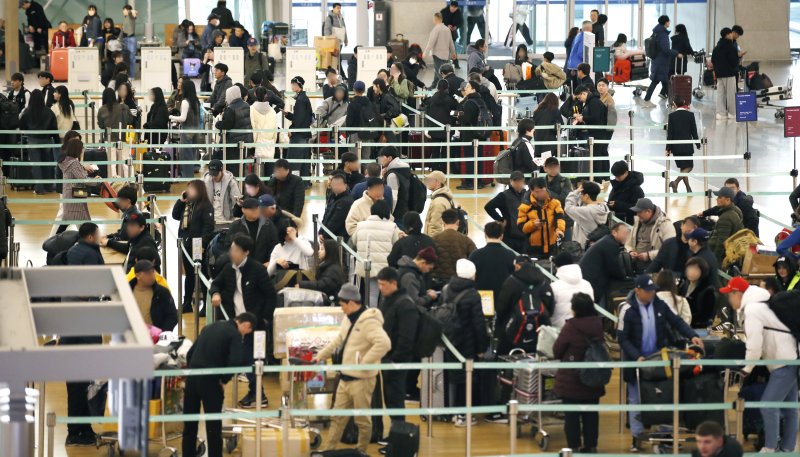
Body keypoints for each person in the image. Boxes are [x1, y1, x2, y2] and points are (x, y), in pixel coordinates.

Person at [619, 274, 702, 450]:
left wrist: (692, 335)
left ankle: (665, 434)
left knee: (665, 396)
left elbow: (677, 322)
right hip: (637, 362)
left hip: (659, 360)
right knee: (635, 398)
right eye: (648, 292)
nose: (651, 295)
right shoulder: (627, 309)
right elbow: (623, 339)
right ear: (637, 291)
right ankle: (637, 436)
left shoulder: (659, 304)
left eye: (653, 291)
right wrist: (636, 356)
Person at [719, 277, 798, 453]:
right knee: (789, 408)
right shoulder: (761, 305)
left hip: (783, 362)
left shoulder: (753, 310)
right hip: (790, 359)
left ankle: (770, 448)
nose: (729, 299)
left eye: (729, 295)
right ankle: (787, 449)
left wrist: (747, 368)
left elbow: (754, 346)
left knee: (768, 405)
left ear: (737, 294)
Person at [315, 283, 389, 453]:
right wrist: (320, 355)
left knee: (362, 420)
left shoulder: (369, 321)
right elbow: (338, 341)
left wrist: (365, 362)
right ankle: (328, 451)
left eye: (342, 305)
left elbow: (384, 343)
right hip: (345, 378)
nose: (341, 309)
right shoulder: (348, 319)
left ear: (350, 302)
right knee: (337, 418)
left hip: (362, 380)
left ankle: (361, 451)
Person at [210, 234, 276, 407]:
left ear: (246, 252)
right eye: (231, 249)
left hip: (255, 326)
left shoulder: (257, 270)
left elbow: (271, 296)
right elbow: (216, 284)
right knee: (247, 360)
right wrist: (215, 293)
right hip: (237, 325)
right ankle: (256, 394)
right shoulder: (229, 269)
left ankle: (258, 395)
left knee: (252, 360)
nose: (232, 253)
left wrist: (264, 319)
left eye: (236, 250)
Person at [182, 313, 256, 457]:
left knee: (189, 424)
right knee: (213, 426)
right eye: (247, 331)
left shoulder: (210, 327)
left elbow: (190, 353)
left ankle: (187, 454)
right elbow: (235, 361)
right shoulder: (234, 334)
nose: (245, 334)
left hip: (192, 379)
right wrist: (224, 380)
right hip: (211, 382)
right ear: (246, 325)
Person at [553, 292, 604, 452]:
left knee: (572, 417)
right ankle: (591, 446)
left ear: (575, 309)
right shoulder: (598, 325)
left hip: (572, 378)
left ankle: (573, 447)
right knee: (591, 416)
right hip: (593, 376)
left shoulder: (571, 327)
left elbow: (557, 350)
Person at [373, 267, 418, 445]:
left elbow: (407, 338)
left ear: (394, 283)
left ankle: (398, 438)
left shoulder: (405, 304)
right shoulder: (388, 300)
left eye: (383, 285)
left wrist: (395, 359)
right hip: (388, 357)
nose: (381, 288)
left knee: (396, 398)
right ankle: (395, 434)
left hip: (397, 360)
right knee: (390, 398)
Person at [445, 259, 490, 427]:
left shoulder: (448, 289)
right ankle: (463, 415)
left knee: (456, 378)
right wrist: (482, 347)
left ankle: (455, 412)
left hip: (452, 339)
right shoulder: (472, 294)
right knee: (468, 378)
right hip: (468, 342)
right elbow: (478, 324)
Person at [495, 256, 554, 356]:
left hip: (511, 335)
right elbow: (550, 308)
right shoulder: (544, 282)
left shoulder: (511, 282)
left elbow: (501, 309)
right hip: (539, 335)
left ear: (517, 266)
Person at [171, 179, 215, 310]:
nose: (189, 192)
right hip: (185, 243)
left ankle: (206, 306)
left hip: (198, 244)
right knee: (189, 275)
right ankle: (187, 303)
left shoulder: (206, 206)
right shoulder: (187, 204)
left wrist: (202, 244)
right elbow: (175, 216)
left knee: (202, 275)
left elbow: (208, 227)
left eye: (191, 189)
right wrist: (181, 201)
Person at [350, 200, 400, 306]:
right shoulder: (392, 227)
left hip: (366, 265)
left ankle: (371, 316)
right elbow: (396, 245)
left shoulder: (360, 226)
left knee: (372, 294)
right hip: (384, 267)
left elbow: (354, 241)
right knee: (385, 294)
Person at [579, 222, 631, 307]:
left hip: (589, 280)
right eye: (624, 233)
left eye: (627, 234)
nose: (626, 236)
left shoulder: (608, 241)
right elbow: (615, 268)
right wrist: (625, 277)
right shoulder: (610, 244)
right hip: (592, 282)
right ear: (614, 232)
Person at [20, 90, 59, 195]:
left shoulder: (27, 112)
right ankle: (49, 186)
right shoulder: (48, 111)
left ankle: (39, 189)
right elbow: (54, 128)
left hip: (32, 140)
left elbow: (22, 126)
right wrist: (56, 140)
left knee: (36, 165)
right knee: (47, 164)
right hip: (46, 140)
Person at [469, 222, 517, 304]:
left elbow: (470, 278)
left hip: (481, 298)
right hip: (504, 298)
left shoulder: (475, 255)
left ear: (485, 235)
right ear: (502, 236)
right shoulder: (511, 255)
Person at [518, 177, 566, 258]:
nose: (541, 193)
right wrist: (533, 224)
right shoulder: (525, 206)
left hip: (552, 247)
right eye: (537, 191)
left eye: (543, 190)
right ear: (532, 191)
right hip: (533, 249)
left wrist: (559, 230)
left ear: (546, 188)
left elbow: (560, 217)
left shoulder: (555, 203)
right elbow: (520, 226)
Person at [625, 198, 676, 272]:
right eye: (637, 212)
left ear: (649, 211)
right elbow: (628, 243)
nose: (637, 215)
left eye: (640, 212)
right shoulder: (638, 222)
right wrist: (630, 252)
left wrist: (649, 255)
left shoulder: (665, 224)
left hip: (655, 269)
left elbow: (670, 249)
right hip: (635, 266)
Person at [455, 81, 489, 190]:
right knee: (478, 159)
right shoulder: (481, 100)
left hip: (470, 135)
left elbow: (466, 119)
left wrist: (459, 116)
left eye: (467, 87)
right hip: (480, 133)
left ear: (473, 89)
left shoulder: (469, 102)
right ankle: (478, 181)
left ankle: (470, 182)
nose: (464, 90)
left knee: (470, 159)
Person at [224, 198, 278, 265]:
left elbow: (274, 244)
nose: (255, 211)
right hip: (241, 265)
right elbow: (228, 246)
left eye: (257, 208)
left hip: (264, 265)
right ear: (243, 210)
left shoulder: (268, 224)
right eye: (252, 209)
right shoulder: (236, 226)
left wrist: (270, 261)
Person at [169, 78, 203, 178]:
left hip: (187, 130)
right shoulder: (196, 101)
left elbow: (183, 118)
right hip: (196, 130)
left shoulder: (185, 101)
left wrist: (172, 117)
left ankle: (186, 176)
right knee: (192, 155)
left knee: (186, 155)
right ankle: (190, 175)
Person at [129, 260, 178, 331]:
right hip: (131, 335)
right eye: (148, 273)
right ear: (138, 275)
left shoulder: (162, 292)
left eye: (153, 272)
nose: (152, 275)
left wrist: (161, 333)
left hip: (156, 337)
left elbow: (172, 316)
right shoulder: (126, 291)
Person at [485, 171, 527, 253]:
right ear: (511, 182)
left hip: (525, 236)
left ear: (523, 182)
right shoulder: (504, 195)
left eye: (520, 181)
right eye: (516, 181)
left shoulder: (527, 195)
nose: (518, 183)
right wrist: (500, 219)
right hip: (509, 237)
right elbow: (489, 207)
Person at [550, 252, 595, 329]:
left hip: (561, 331)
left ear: (558, 267)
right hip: (585, 330)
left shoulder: (554, 287)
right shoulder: (587, 284)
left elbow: (550, 311)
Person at [643, 16, 680, 106]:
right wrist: (676, 53)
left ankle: (672, 101)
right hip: (661, 61)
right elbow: (666, 50)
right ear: (666, 22)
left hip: (656, 60)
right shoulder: (663, 34)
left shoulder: (655, 32)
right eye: (669, 21)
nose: (669, 23)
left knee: (664, 81)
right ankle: (647, 100)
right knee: (656, 81)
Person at [666, 97, 701, 192]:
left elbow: (670, 133)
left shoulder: (671, 116)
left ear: (674, 104)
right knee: (689, 167)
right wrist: (697, 143)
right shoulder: (690, 115)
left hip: (676, 147)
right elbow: (694, 131)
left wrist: (668, 148)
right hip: (687, 146)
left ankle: (688, 189)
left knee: (683, 168)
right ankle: (676, 182)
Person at [572, 84, 609, 174]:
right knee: (601, 155)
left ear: (584, 93)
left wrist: (582, 118)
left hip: (598, 133)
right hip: (598, 132)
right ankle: (603, 177)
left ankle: (598, 178)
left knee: (597, 156)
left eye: (579, 97)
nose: (579, 100)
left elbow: (595, 118)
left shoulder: (594, 102)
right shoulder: (592, 101)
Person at [432, 209, 477, 283]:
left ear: (443, 222)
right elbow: (475, 258)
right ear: (458, 222)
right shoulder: (466, 240)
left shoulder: (434, 239)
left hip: (438, 280)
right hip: (460, 281)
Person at [56, 138, 92, 229]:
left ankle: (55, 240)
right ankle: (87, 241)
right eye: (81, 148)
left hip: (69, 194)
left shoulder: (66, 162)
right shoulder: (74, 163)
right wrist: (99, 181)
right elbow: (84, 179)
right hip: (76, 195)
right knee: (85, 224)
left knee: (67, 221)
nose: (82, 150)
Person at [702, 186, 744, 263]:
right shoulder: (736, 210)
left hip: (721, 257)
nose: (717, 199)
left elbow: (721, 242)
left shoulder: (725, 218)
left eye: (720, 197)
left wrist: (714, 261)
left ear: (728, 200)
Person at [97, 87, 132, 178]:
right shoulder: (124, 107)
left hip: (109, 138)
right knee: (126, 161)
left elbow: (101, 125)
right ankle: (131, 181)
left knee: (111, 163)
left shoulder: (102, 109)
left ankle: (113, 183)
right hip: (123, 138)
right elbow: (130, 120)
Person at [422, 80, 458, 169]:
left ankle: (434, 169)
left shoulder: (431, 99)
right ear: (447, 88)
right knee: (446, 151)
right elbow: (454, 113)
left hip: (434, 129)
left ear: (437, 87)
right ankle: (444, 170)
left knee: (435, 151)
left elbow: (426, 110)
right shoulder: (451, 100)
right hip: (447, 129)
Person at [564, 181, 610, 248]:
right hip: (595, 245)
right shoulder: (602, 207)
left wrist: (575, 192)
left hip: (583, 247)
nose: (580, 195)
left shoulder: (586, 211)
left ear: (586, 196)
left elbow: (568, 208)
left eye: (581, 194)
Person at [284, 76, 314, 179]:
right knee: (304, 161)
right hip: (304, 134)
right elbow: (303, 118)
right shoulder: (304, 98)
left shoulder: (300, 100)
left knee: (295, 161)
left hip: (299, 135)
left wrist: (292, 129)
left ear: (298, 85)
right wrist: (288, 115)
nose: (292, 86)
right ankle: (305, 182)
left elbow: (299, 120)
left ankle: (295, 182)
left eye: (293, 84)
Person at [711, 28, 739, 120]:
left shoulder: (717, 47)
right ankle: (732, 113)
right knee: (731, 94)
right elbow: (734, 61)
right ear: (727, 35)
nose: (732, 35)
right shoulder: (731, 47)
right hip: (729, 74)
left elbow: (713, 60)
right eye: (731, 34)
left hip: (719, 74)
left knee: (720, 94)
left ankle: (720, 114)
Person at [424, 12, 457, 87]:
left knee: (440, 72)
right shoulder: (447, 29)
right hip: (445, 55)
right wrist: (453, 53)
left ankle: (445, 87)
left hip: (437, 54)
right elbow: (451, 42)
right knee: (438, 70)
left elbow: (431, 42)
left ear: (435, 19)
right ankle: (434, 85)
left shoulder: (436, 29)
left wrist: (425, 52)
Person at [320, 173, 354, 241]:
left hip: (339, 238)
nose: (336, 187)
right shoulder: (332, 196)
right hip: (329, 236)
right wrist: (321, 231)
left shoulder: (346, 201)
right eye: (334, 185)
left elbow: (335, 221)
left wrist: (324, 234)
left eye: (338, 185)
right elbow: (327, 215)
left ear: (345, 185)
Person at [423, 170, 454, 237]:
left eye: (430, 180)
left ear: (438, 183)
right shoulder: (444, 196)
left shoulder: (438, 202)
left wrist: (432, 245)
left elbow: (436, 227)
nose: (427, 182)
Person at [533, 94, 562, 159]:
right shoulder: (555, 110)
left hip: (538, 142)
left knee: (540, 163)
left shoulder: (537, 111)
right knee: (548, 164)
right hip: (549, 142)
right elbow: (559, 126)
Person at [440, 0, 464, 65]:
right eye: (452, 7)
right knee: (444, 48)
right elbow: (439, 22)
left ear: (457, 8)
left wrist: (456, 27)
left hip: (452, 32)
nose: (453, 9)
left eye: (455, 8)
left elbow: (461, 22)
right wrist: (447, 26)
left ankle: (456, 63)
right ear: (450, 6)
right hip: (444, 32)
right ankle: (444, 63)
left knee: (453, 48)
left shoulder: (458, 12)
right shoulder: (443, 11)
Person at [121, 4, 137, 79]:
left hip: (131, 39)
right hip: (125, 39)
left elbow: (134, 12)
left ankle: (132, 76)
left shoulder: (131, 16)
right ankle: (126, 75)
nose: (123, 11)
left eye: (124, 10)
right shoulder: (125, 18)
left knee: (131, 58)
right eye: (123, 10)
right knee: (125, 58)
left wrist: (131, 11)